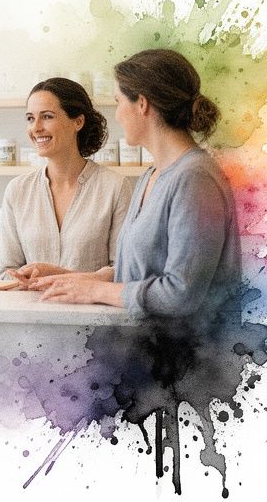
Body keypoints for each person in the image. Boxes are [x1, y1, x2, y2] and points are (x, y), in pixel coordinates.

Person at [33, 49, 242, 328]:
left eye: (118, 102)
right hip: (149, 346)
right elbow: (140, 271)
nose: (117, 114)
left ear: (142, 104)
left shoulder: (195, 179)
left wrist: (96, 291)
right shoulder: (151, 176)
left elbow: (181, 294)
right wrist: (74, 278)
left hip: (192, 352)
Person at [0, 77, 132, 282]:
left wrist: (60, 277)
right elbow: (7, 272)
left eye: (47, 116)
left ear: (78, 122)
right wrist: (20, 281)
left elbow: (123, 271)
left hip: (92, 304)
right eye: (30, 118)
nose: (36, 128)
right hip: (31, 303)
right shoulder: (17, 190)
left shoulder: (114, 187)